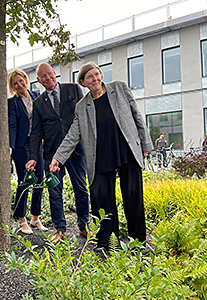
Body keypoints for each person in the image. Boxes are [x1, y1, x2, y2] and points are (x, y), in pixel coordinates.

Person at [50, 61, 152, 252]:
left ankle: (138, 242)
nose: (95, 78)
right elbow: (73, 134)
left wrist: (145, 144)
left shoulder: (119, 88)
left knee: (133, 196)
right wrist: (58, 157)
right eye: (90, 76)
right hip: (101, 154)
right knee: (102, 199)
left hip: (127, 149)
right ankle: (107, 242)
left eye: (97, 74)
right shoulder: (82, 106)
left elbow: (137, 115)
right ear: (83, 82)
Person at [25, 63, 90, 243]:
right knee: (55, 192)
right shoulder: (38, 103)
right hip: (52, 155)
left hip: (76, 151)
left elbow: (84, 116)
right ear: (38, 80)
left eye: (50, 74)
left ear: (55, 74)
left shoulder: (74, 89)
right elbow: (36, 132)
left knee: (81, 189)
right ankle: (59, 229)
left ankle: (83, 226)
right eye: (43, 76)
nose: (48, 78)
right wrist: (33, 158)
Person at [8, 68, 46, 235]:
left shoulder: (37, 95)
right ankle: (21, 218)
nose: (19, 85)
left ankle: (35, 217)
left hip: (37, 143)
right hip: (21, 145)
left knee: (40, 179)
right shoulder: (12, 102)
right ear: (12, 86)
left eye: (21, 80)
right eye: (15, 83)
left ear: (25, 79)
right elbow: (12, 125)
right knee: (24, 180)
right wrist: (10, 146)